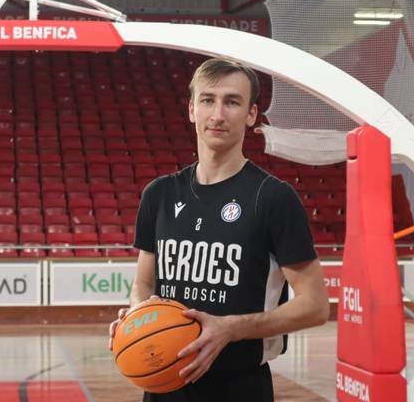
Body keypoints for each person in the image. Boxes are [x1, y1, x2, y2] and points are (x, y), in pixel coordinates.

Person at [109, 58, 330, 402]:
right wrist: (138, 316)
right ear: (192, 110)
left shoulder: (272, 198)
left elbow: (316, 306)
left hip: (239, 385)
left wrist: (231, 329)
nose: (217, 114)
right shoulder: (160, 194)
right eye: (207, 100)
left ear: (252, 114)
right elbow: (144, 283)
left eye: (232, 101)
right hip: (165, 383)